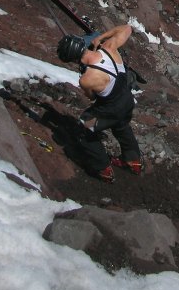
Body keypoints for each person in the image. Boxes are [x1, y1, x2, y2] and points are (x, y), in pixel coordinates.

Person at [57, 24, 142, 183]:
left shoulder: (86, 79)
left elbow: (91, 97)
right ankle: (133, 162)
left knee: (84, 128)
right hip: (127, 100)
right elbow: (127, 28)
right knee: (122, 127)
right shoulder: (109, 48)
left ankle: (103, 168)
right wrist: (100, 38)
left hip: (111, 108)